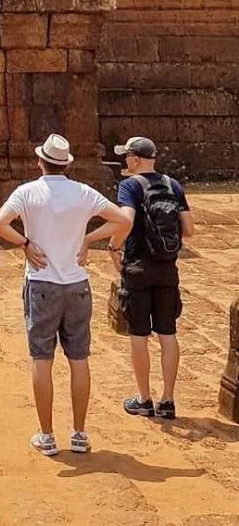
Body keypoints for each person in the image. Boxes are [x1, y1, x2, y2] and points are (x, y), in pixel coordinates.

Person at [0, 134, 133, 457]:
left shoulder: (28, 192)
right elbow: (123, 218)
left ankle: (47, 434)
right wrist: (89, 239)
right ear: (67, 165)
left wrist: (26, 245)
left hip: (42, 284)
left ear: (40, 162)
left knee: (42, 358)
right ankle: (80, 434)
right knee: (78, 359)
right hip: (77, 285)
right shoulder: (82, 193)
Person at [104, 136, 194, 420]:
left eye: (126, 157)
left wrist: (114, 247)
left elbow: (126, 220)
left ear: (134, 159)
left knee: (139, 335)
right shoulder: (173, 186)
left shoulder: (130, 186)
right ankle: (168, 400)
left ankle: (144, 399)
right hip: (168, 268)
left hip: (139, 269)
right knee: (168, 334)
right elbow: (189, 229)